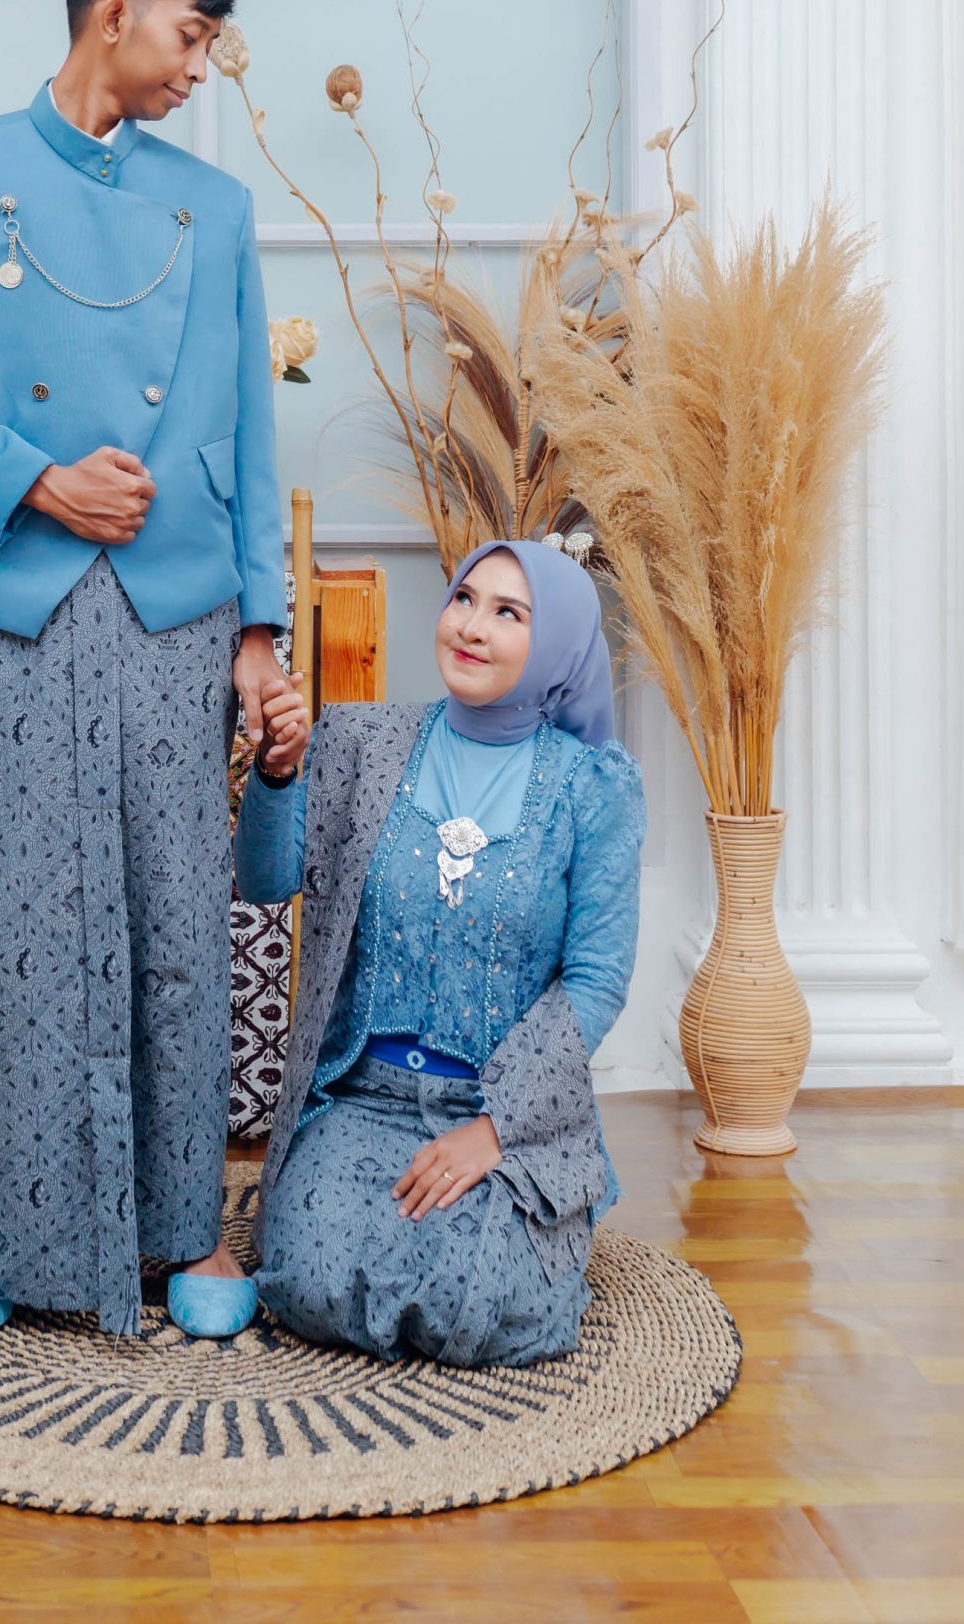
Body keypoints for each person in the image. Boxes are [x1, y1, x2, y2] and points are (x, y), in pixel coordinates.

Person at [0, 0, 303, 1342]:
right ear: (116, 14)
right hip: (7, 604)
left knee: (177, 920)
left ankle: (185, 1236)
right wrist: (40, 480)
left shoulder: (214, 210)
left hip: (178, 605)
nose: (200, 69)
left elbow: (248, 428)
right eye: (190, 36)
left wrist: (262, 630)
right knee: (19, 923)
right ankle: (18, 1242)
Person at [234, 537, 645, 1366]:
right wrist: (277, 775)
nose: (472, 626)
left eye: (508, 613)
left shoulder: (592, 788)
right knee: (308, 1279)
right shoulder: (364, 742)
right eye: (464, 598)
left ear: (558, 646)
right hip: (362, 1098)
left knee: (492, 1303)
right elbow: (266, 879)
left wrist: (494, 1131)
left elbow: (596, 979)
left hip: (506, 1115)